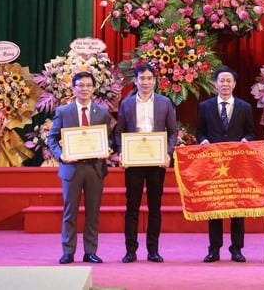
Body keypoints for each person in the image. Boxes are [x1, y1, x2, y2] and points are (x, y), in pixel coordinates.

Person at [114, 63, 178, 263]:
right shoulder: (126, 103)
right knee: (132, 207)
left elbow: (173, 131)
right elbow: (119, 133)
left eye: (150, 78)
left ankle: (153, 250)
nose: (146, 82)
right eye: (142, 78)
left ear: (155, 80)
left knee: (155, 207)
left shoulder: (165, 103)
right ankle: (130, 250)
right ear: (135, 81)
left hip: (156, 162)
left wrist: (168, 153)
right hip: (134, 162)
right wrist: (122, 152)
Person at [47, 71, 112, 264]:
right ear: (73, 88)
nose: (84, 89)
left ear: (94, 88)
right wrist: (61, 155)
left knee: (93, 212)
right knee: (70, 211)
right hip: (71, 168)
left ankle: (90, 251)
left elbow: (106, 138)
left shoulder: (102, 112)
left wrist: (107, 148)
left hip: (95, 168)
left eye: (88, 85)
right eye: (80, 85)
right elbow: (51, 138)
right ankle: (68, 251)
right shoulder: (63, 111)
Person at [195, 66, 256, 262]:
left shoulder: (245, 107)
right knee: (216, 205)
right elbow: (200, 131)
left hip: (237, 164)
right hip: (214, 163)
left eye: (229, 81)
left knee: (237, 206)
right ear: (215, 83)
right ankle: (214, 248)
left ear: (235, 84)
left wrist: (246, 140)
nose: (225, 84)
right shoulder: (205, 106)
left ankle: (236, 248)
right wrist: (203, 140)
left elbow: (250, 132)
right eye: (222, 81)